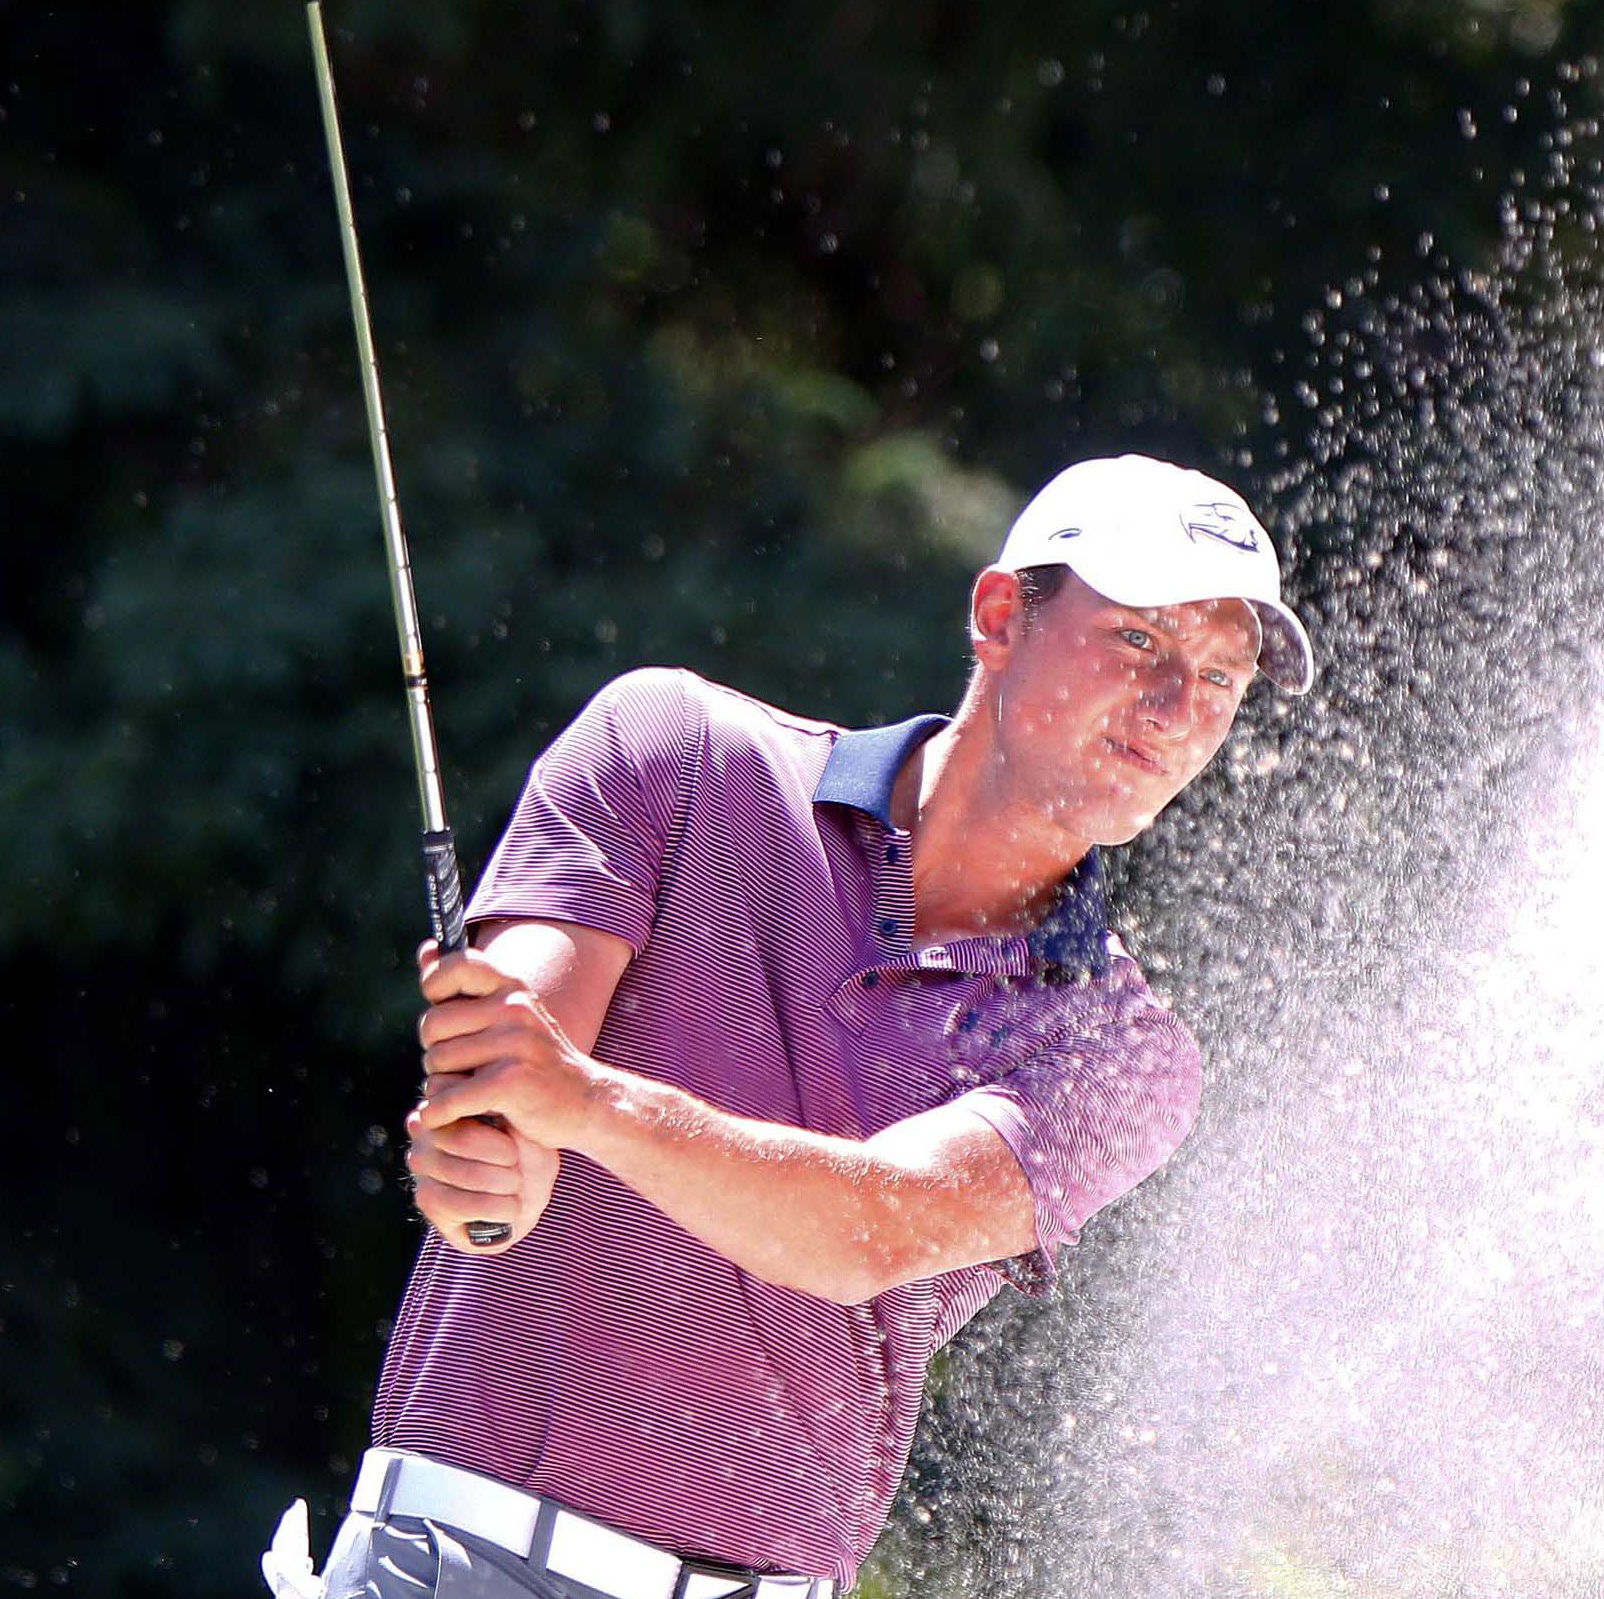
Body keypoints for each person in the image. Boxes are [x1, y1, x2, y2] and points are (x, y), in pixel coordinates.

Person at [264, 454, 1314, 1599]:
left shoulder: (1120, 1052)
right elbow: (514, 1091)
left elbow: (867, 1232)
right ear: (1001, 617)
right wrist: (490, 1145)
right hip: (456, 1565)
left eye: (1220, 678)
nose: (1177, 712)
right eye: (1139, 644)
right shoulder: (670, 749)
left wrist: (581, 1102)